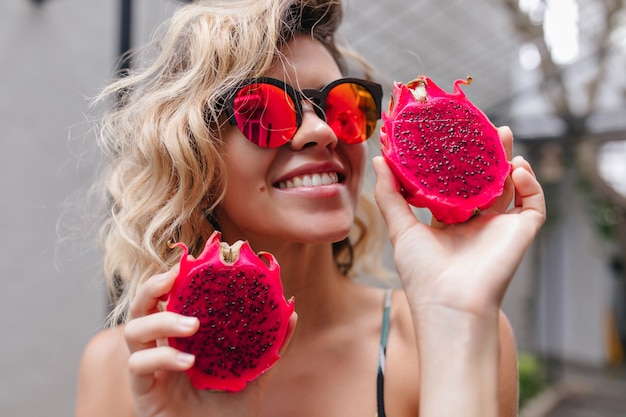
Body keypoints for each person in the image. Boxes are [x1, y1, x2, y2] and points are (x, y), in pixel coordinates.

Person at [75, 0, 546, 416]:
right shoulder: (124, 370)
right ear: (195, 156)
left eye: (343, 105)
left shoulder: (439, 335)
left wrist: (457, 316)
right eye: (264, 111)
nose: (321, 131)